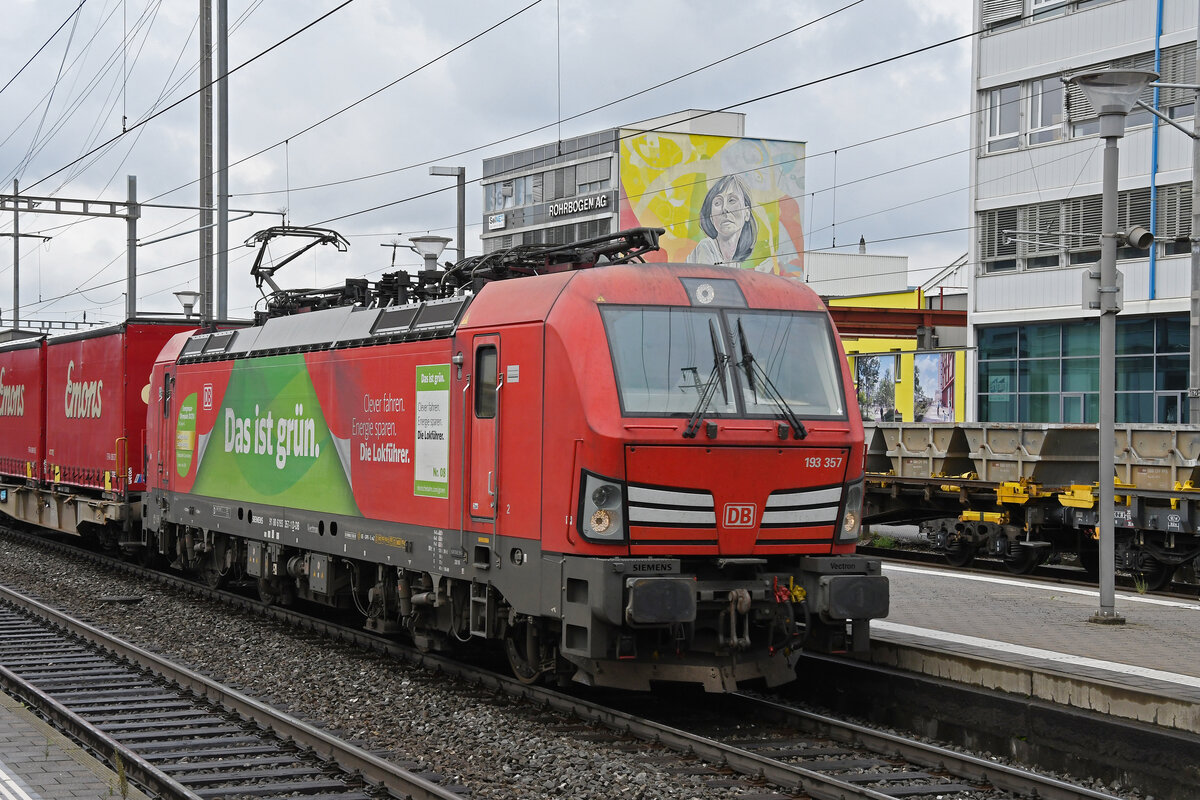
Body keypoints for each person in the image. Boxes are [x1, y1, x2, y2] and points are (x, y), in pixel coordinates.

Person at [687, 174, 757, 267]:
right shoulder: (706, 247)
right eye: (718, 202)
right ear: (711, 217)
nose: (724, 208)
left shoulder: (734, 263)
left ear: (747, 213)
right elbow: (707, 281)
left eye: (732, 200)